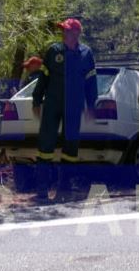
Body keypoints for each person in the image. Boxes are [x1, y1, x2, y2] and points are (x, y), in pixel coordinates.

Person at [32, 18, 98, 201]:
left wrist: (92, 105)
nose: (64, 33)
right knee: (46, 145)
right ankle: (42, 189)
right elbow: (43, 78)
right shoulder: (54, 51)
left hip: (74, 106)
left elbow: (91, 82)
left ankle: (64, 186)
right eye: (63, 30)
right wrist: (36, 100)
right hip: (53, 104)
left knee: (71, 147)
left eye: (68, 31)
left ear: (76, 34)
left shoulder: (86, 54)